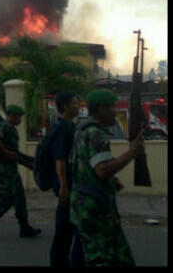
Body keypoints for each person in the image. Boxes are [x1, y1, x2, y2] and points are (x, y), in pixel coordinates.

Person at [69, 89, 144, 266]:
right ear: (101, 109)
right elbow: (102, 170)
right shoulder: (95, 133)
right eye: (112, 107)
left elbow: (86, 165)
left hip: (84, 203)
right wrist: (132, 153)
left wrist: (111, 180)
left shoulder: (81, 130)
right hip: (94, 207)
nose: (115, 111)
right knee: (102, 259)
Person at [0, 105, 41, 239]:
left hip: (9, 168)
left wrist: (30, 162)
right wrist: (6, 152)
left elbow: (15, 153)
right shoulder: (4, 126)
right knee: (12, 196)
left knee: (14, 197)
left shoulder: (11, 129)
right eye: (18, 116)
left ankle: (23, 227)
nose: (20, 119)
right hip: (4, 169)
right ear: (11, 115)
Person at [49, 91, 84, 267]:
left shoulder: (69, 126)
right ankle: (59, 262)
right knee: (64, 228)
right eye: (75, 103)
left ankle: (63, 261)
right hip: (67, 186)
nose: (78, 106)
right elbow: (60, 158)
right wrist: (63, 185)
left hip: (71, 185)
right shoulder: (62, 128)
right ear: (65, 106)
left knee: (68, 226)